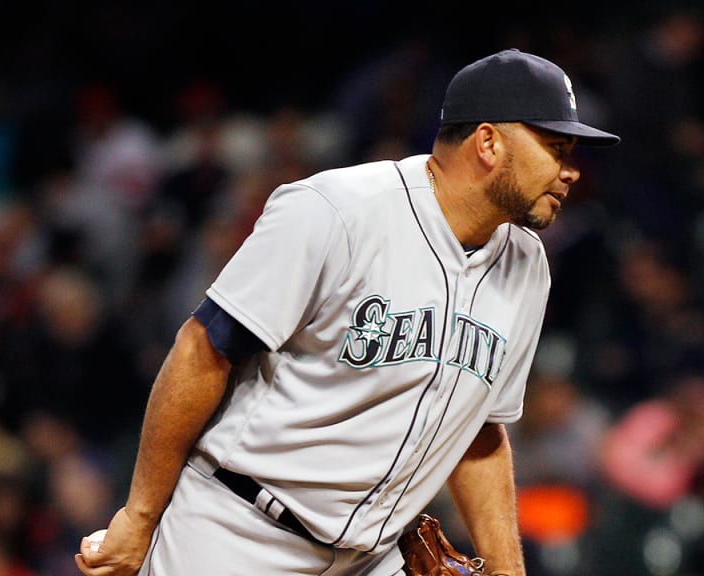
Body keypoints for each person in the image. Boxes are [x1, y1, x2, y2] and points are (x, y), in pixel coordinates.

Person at [74, 48, 619, 576]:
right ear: (488, 143)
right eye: (555, 146)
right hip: (240, 532)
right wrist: (139, 517)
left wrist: (505, 570)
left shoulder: (527, 265)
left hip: (372, 557)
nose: (570, 170)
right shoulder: (336, 211)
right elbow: (201, 349)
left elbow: (480, 432)